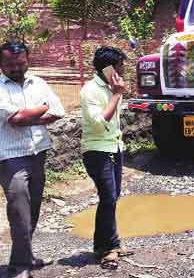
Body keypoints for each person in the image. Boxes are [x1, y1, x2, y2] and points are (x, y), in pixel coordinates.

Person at [0, 40, 65, 278]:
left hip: (39, 152)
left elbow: (57, 110)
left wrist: (32, 115)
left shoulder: (39, 83)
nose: (16, 68)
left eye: (20, 63)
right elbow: (14, 119)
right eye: (9, 64)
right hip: (10, 157)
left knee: (33, 208)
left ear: (28, 60)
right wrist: (41, 109)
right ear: (1, 63)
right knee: (19, 211)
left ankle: (26, 256)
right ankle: (20, 266)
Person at [80, 46, 132, 269]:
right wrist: (117, 94)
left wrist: (117, 91)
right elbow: (100, 123)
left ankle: (106, 243)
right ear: (108, 68)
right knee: (108, 197)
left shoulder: (111, 86)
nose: (123, 70)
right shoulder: (90, 90)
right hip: (97, 149)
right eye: (120, 66)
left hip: (114, 147)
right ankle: (108, 247)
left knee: (111, 198)